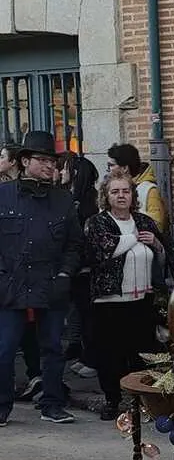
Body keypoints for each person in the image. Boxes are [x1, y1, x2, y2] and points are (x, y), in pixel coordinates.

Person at [0, 131, 82, 425]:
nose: (50, 166)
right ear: (24, 161)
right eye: (43, 160)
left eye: (53, 161)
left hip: (50, 282)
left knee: (53, 348)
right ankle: (1, 406)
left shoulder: (62, 200)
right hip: (11, 285)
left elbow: (74, 245)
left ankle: (52, 404)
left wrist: (64, 274)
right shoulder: (3, 195)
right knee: (5, 349)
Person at [86, 169, 167, 420]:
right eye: (115, 191)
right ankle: (112, 399)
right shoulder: (98, 222)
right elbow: (106, 250)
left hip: (142, 300)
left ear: (133, 195)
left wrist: (155, 242)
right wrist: (132, 238)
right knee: (110, 354)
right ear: (106, 196)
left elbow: (165, 254)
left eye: (126, 191)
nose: (121, 196)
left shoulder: (144, 221)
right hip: (109, 301)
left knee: (142, 352)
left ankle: (141, 401)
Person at [58, 152, 99, 379]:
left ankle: (92, 358)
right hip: (76, 269)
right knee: (80, 316)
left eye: (64, 168)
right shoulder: (69, 198)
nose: (60, 172)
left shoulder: (87, 203)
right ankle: (85, 354)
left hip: (85, 270)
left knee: (89, 317)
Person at [107, 143, 169, 234]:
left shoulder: (149, 191)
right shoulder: (108, 188)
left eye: (111, 165)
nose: (108, 169)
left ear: (124, 168)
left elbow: (157, 226)